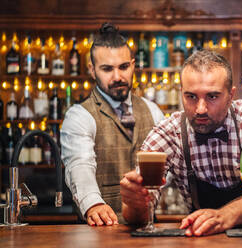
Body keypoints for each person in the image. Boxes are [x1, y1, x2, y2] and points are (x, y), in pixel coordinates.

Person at [120, 49, 242, 236]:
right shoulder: (168, 132)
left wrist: (223, 217)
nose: (200, 109)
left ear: (231, 96)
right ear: (181, 93)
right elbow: (138, 214)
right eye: (191, 97)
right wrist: (135, 203)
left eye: (212, 96)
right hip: (202, 236)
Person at [61, 23, 164, 226]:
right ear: (92, 70)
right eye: (107, 69)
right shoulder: (79, 116)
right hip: (99, 230)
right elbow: (80, 163)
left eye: (124, 67)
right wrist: (93, 204)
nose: (117, 77)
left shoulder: (153, 111)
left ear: (133, 65)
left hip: (148, 229)